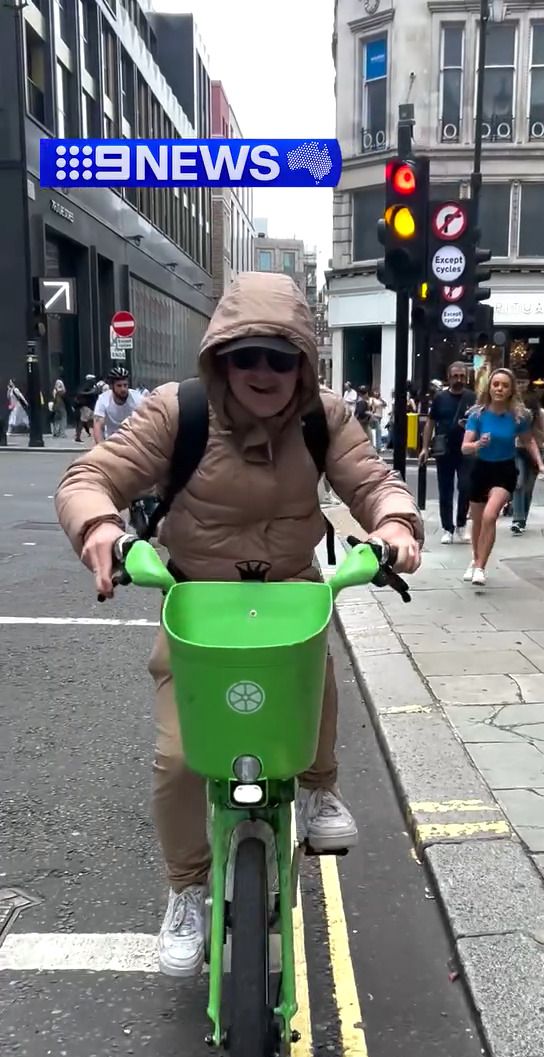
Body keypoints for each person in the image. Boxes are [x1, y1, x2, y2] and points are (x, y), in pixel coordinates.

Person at [55, 271, 423, 977]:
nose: (262, 371)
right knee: (178, 760)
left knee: (315, 675)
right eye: (245, 355)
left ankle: (319, 788)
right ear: (220, 357)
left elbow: (374, 482)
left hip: (289, 596)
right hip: (199, 604)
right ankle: (186, 889)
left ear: (302, 363)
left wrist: (396, 525)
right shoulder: (178, 411)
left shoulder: (323, 417)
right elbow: (90, 477)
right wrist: (100, 526)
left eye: (279, 358)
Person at [461, 368, 544, 586]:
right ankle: (475, 559)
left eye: (505, 385)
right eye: (496, 384)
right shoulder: (477, 415)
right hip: (481, 469)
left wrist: (540, 464)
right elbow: (464, 447)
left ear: (511, 390)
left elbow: (528, 441)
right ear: (489, 388)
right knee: (478, 521)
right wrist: (478, 444)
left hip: (504, 470)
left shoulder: (518, 417)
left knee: (490, 516)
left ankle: (480, 567)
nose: (499, 389)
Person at [419, 363, 476, 544]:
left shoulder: (472, 397)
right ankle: (447, 528)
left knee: (466, 486)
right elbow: (430, 422)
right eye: (455, 376)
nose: (459, 379)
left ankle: (461, 524)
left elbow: (480, 421)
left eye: (462, 376)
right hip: (444, 449)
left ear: (466, 377)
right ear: (449, 377)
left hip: (466, 449)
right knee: (445, 489)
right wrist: (425, 447)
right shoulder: (440, 398)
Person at [511, 369, 544, 535]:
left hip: (535, 450)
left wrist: (533, 431)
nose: (520, 385)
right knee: (518, 484)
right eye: (518, 382)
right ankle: (518, 519)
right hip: (518, 449)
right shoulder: (511, 406)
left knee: (528, 488)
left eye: (523, 382)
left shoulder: (540, 412)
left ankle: (522, 519)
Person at [92, 367, 144, 443]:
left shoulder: (138, 398)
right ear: (111, 386)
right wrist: (101, 446)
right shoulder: (103, 399)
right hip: (112, 441)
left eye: (125, 385)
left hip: (133, 441)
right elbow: (98, 425)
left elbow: (146, 421)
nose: (123, 389)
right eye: (119, 386)